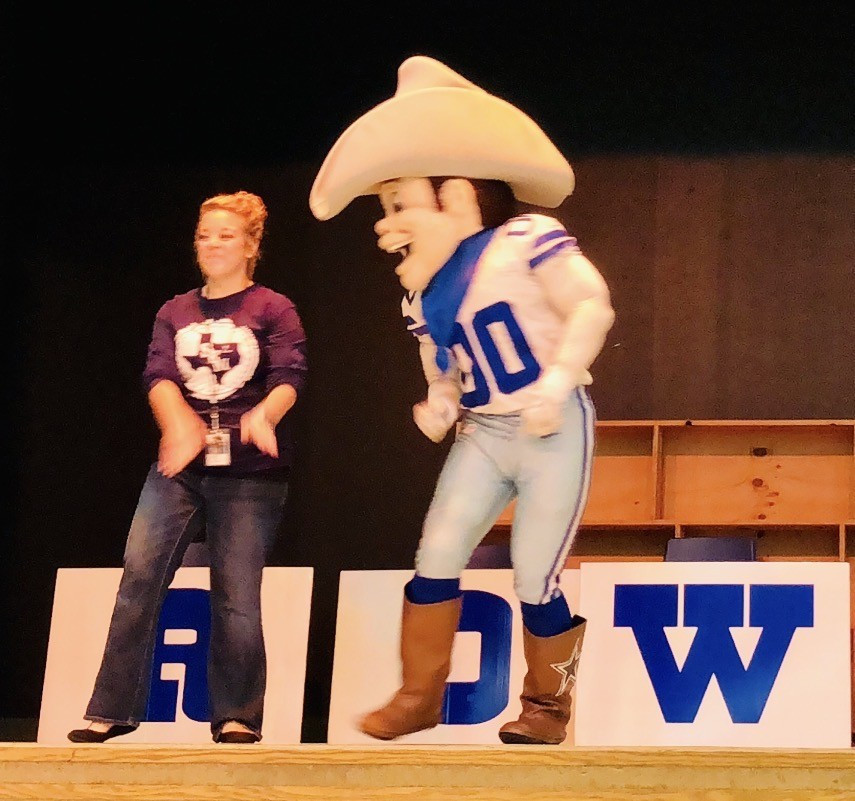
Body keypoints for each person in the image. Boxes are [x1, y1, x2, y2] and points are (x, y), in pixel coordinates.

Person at [310, 56, 614, 745]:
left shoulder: (526, 239)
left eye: (401, 205)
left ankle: (546, 707)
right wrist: (442, 399)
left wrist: (556, 381)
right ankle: (419, 695)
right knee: (437, 552)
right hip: (483, 429)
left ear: (456, 195)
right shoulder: (424, 291)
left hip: (551, 429)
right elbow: (443, 364)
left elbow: (591, 305)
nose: (390, 224)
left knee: (534, 574)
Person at [67, 191, 307, 744]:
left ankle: (237, 715)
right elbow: (158, 375)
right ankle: (113, 709)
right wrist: (178, 424)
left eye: (226, 235)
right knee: (139, 577)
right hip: (180, 468)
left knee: (237, 595)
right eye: (204, 236)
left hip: (250, 474)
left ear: (251, 245)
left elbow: (290, 374)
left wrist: (265, 416)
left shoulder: (273, 307)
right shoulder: (174, 311)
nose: (213, 244)